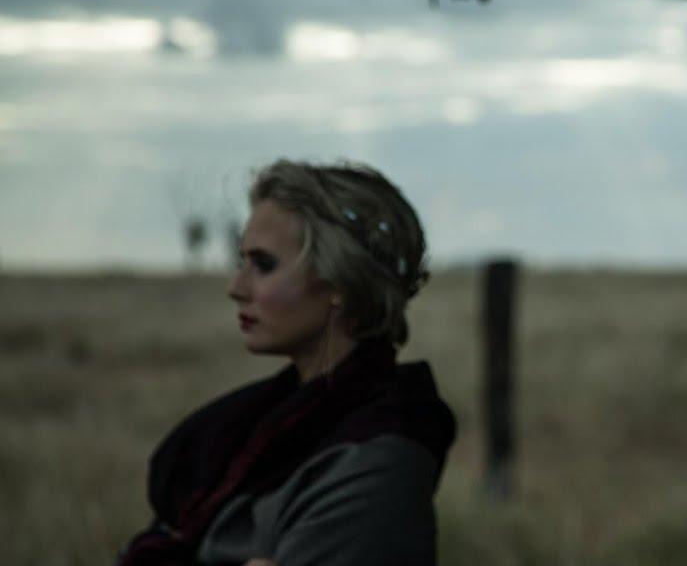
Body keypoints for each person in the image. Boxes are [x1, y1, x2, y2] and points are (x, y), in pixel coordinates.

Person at [117, 160, 456, 566]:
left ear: (340, 280)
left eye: (264, 265)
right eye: (242, 262)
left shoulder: (378, 459)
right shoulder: (256, 427)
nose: (236, 287)